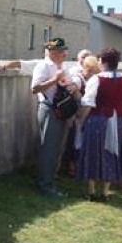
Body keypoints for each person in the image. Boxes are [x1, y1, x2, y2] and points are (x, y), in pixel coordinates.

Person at [75, 48, 122, 202]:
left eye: (100, 60)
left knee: (93, 153)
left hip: (98, 121)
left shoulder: (96, 79)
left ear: (104, 62)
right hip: (119, 121)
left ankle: (91, 191)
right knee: (111, 153)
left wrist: (81, 120)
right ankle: (105, 192)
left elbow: (88, 103)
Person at [31, 37, 79, 198]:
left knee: (56, 149)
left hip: (60, 111)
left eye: (64, 51)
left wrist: (72, 86)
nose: (64, 54)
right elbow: (35, 88)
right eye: (60, 51)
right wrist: (54, 79)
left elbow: (68, 83)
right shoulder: (43, 66)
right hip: (49, 109)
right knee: (48, 149)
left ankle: (48, 181)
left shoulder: (61, 66)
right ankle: (45, 184)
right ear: (51, 52)